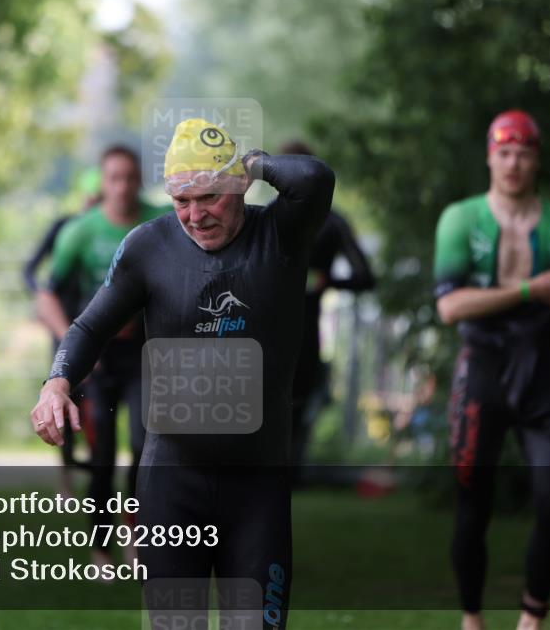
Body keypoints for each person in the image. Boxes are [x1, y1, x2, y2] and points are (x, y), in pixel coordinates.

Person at [31, 118, 335, 629]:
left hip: (256, 487)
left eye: (209, 196)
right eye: (181, 200)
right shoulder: (148, 247)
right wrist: (57, 382)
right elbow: (89, 326)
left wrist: (251, 162)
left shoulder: (281, 234)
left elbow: (315, 177)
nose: (195, 216)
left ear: (238, 184)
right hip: (171, 483)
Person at [433, 110, 550, 630]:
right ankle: (472, 619)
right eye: (504, 152)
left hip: (542, 367)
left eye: (524, 154)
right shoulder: (460, 219)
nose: (513, 163)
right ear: (490, 156)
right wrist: (531, 289)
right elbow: (449, 308)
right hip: (480, 364)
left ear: (536, 160)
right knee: (472, 503)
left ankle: (532, 618)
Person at [35, 145, 168, 570]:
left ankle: (136, 535)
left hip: (145, 354)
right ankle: (101, 548)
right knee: (103, 452)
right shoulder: (81, 230)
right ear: (103, 181)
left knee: (146, 446)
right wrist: (72, 342)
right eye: (115, 178)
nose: (123, 186)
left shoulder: (160, 222)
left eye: (130, 177)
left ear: (139, 180)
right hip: (98, 357)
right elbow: (46, 293)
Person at [279, 140, 375, 477]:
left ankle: (293, 471)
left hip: (306, 327)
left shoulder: (332, 222)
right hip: (264, 324)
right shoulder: (261, 219)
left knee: (299, 400)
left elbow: (366, 277)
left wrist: (327, 281)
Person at [22, 168, 102, 494]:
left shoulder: (107, 234)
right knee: (64, 395)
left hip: (96, 326)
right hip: (62, 327)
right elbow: (30, 270)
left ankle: (97, 467)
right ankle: (67, 475)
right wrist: (42, 300)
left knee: (95, 400)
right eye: (91, 198)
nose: (94, 204)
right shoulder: (64, 228)